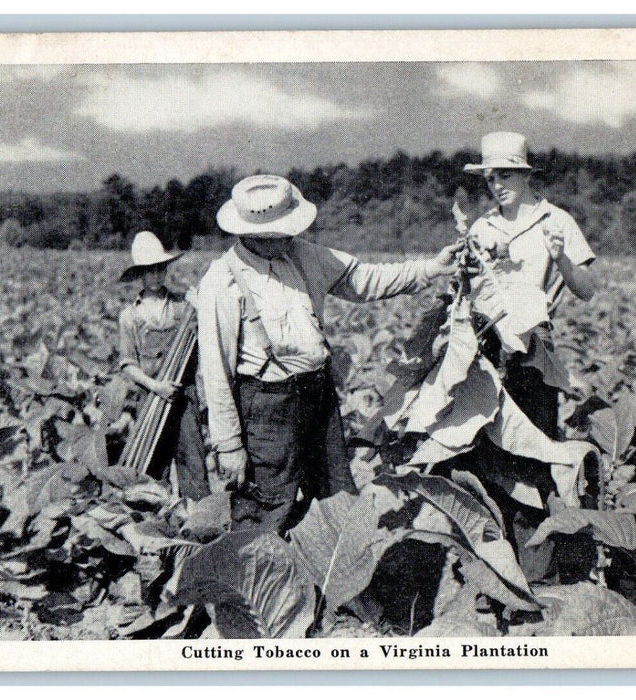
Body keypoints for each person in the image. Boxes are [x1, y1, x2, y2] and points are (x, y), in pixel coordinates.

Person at [196, 174, 464, 533]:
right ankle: (259, 582)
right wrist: (228, 444)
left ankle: (336, 576)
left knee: (337, 495)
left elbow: (364, 279)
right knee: (267, 507)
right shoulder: (221, 281)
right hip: (267, 408)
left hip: (318, 396)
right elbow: (216, 371)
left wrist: (431, 268)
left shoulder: (305, 255)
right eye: (275, 235)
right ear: (248, 233)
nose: (286, 240)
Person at [462, 132, 598, 581]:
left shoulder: (555, 221)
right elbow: (466, 291)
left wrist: (561, 261)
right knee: (489, 455)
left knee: (532, 453)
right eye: (489, 177)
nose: (496, 185)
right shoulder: (481, 228)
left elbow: (587, 290)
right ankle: (498, 571)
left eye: (504, 175)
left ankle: (539, 572)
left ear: (525, 175)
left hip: (532, 351)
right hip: (487, 345)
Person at [117, 230, 210, 500]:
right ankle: (156, 524)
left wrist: (201, 306)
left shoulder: (184, 306)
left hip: (184, 395)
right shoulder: (130, 315)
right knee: (152, 466)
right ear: (140, 274)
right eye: (149, 271)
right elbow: (127, 364)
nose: (156, 276)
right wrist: (155, 386)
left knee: (193, 462)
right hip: (150, 397)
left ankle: (199, 525)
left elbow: (210, 333)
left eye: (160, 269)